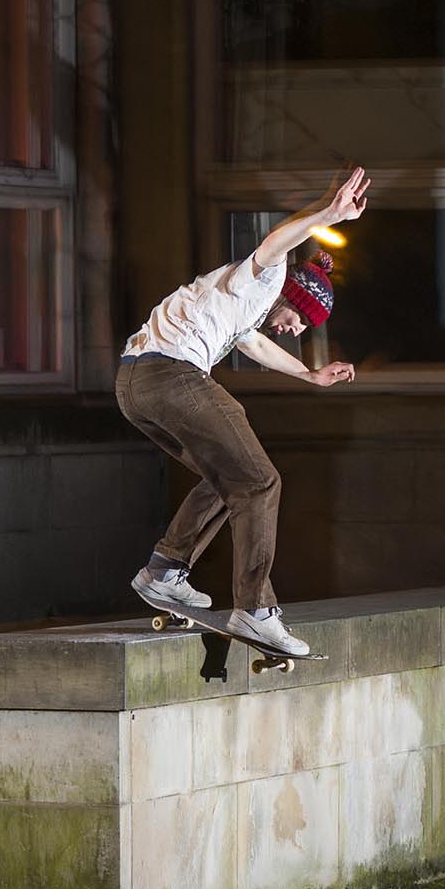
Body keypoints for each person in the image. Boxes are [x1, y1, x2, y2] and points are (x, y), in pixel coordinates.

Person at [116, 167, 369, 661]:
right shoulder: (265, 277)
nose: (295, 330)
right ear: (291, 299)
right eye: (301, 320)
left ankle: (164, 571)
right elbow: (276, 241)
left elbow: (254, 345)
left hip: (133, 384)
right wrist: (327, 213)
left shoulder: (242, 310)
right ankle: (254, 608)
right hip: (172, 374)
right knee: (260, 481)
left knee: (225, 476)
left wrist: (310, 376)